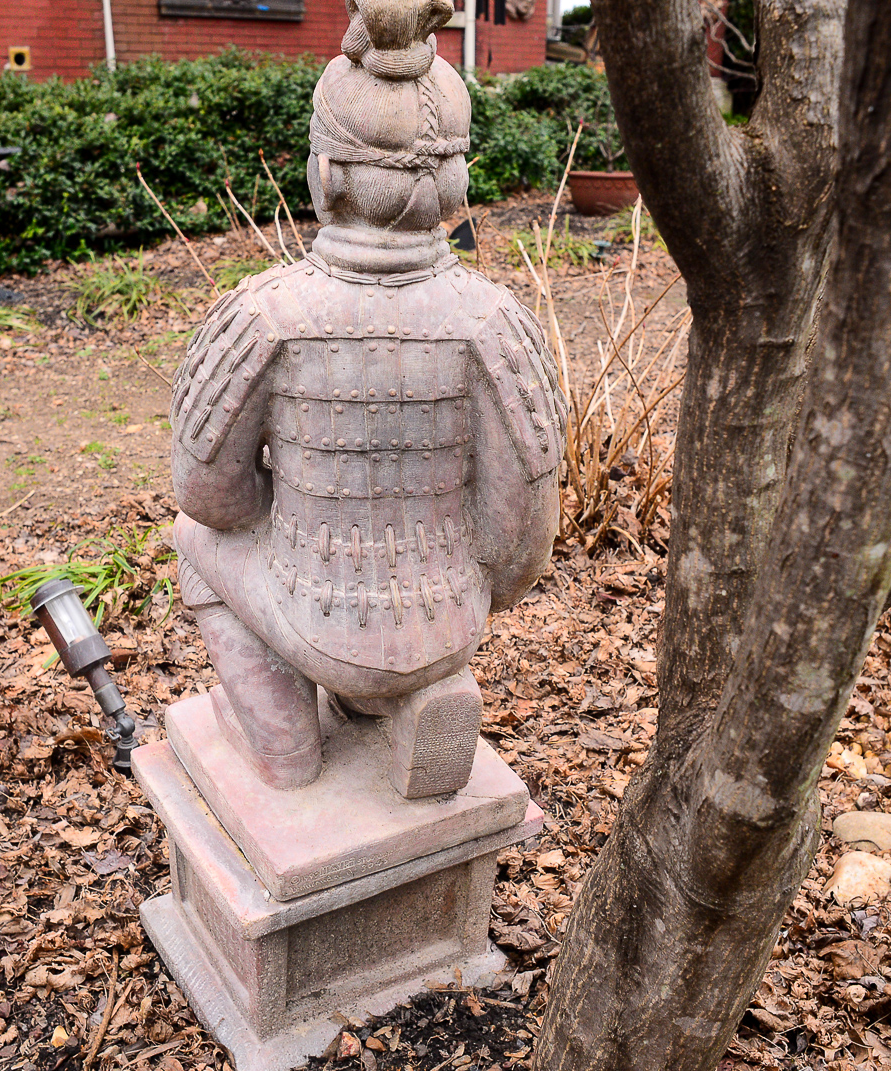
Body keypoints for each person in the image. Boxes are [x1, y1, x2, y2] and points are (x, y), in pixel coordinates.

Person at [169, 0, 565, 799]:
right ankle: (415, 694)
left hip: (311, 607)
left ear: (326, 171)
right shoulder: (495, 322)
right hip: (450, 621)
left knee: (191, 542)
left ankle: (286, 744)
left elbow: (208, 495)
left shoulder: (265, 314)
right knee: (410, 632)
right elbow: (523, 538)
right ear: (451, 181)